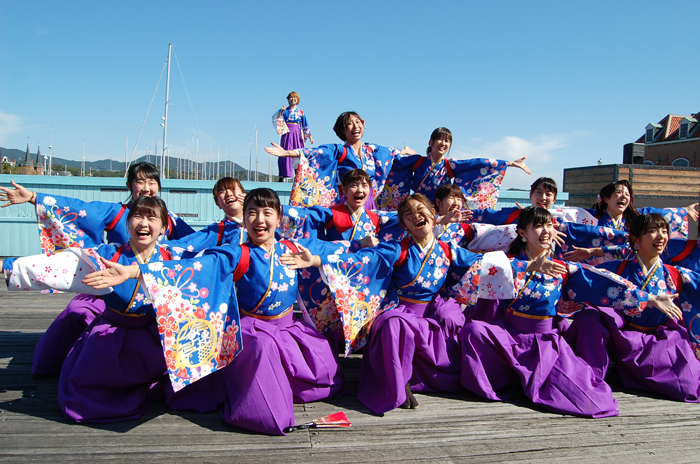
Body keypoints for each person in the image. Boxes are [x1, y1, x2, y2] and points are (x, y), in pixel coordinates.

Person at [98, 188, 348, 435]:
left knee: (326, 372)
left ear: (279, 216)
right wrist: (134, 271)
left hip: (286, 328)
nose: (259, 221)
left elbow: (335, 249)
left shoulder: (292, 247)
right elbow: (197, 266)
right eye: (251, 213)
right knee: (263, 349)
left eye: (266, 213)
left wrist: (318, 260)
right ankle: (262, 410)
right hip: (253, 330)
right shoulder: (239, 253)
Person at [458, 207, 676, 418]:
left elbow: (601, 282)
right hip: (507, 337)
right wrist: (527, 268)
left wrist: (650, 298)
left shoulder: (563, 270)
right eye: (538, 226)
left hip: (542, 343)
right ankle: (503, 381)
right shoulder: (506, 264)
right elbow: (472, 266)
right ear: (523, 233)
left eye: (550, 226)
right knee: (474, 330)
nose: (546, 231)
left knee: (587, 399)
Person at [0, 162, 195, 376]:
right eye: (140, 181)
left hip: (151, 296)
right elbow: (80, 209)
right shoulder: (116, 213)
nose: (146, 187)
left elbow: (195, 243)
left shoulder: (170, 219)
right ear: (129, 185)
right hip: (106, 287)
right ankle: (62, 361)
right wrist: (33, 198)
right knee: (77, 312)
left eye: (152, 182)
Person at [4, 196, 174, 422]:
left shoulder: (174, 258)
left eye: (152, 217)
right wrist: (5, 265)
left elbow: (213, 262)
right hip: (113, 335)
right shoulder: (106, 255)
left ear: (164, 227)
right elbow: (59, 265)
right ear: (127, 223)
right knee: (81, 399)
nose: (143, 223)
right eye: (137, 216)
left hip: (154, 338)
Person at [575, 214, 700, 401]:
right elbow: (585, 282)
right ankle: (591, 378)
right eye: (652, 231)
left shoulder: (674, 274)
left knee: (688, 386)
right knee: (589, 317)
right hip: (621, 336)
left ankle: (628, 373)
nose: (661, 236)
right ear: (635, 240)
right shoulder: (617, 269)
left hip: (657, 340)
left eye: (664, 231)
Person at [265, 111, 416, 209]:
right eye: (349, 124)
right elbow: (316, 152)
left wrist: (404, 152)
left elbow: (389, 154)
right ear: (343, 130)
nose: (355, 126)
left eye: (358, 122)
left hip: (368, 202)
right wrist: (286, 153)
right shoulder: (340, 151)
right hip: (348, 201)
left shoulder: (372, 150)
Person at [381, 127, 530, 210]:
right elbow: (394, 161)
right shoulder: (418, 161)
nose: (443, 143)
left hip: (440, 211)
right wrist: (402, 152)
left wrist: (509, 163)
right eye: (440, 139)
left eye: (447, 141)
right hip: (417, 208)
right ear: (431, 142)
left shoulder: (449, 165)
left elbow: (476, 163)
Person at [565, 180, 698, 262]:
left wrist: (684, 210)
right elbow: (568, 216)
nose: (623, 196)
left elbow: (659, 213)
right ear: (606, 199)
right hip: (597, 265)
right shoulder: (591, 216)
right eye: (618, 192)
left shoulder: (636, 217)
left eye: (627, 194)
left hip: (627, 265)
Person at [273, 91, 314, 179]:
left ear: (298, 100)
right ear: (288, 99)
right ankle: (284, 174)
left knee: (298, 152)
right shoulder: (285, 111)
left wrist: (309, 136)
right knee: (285, 151)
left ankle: (299, 174)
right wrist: (281, 111)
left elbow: (305, 125)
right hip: (287, 132)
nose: (293, 99)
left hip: (297, 134)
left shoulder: (301, 112)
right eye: (291, 97)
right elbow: (277, 119)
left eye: (295, 97)